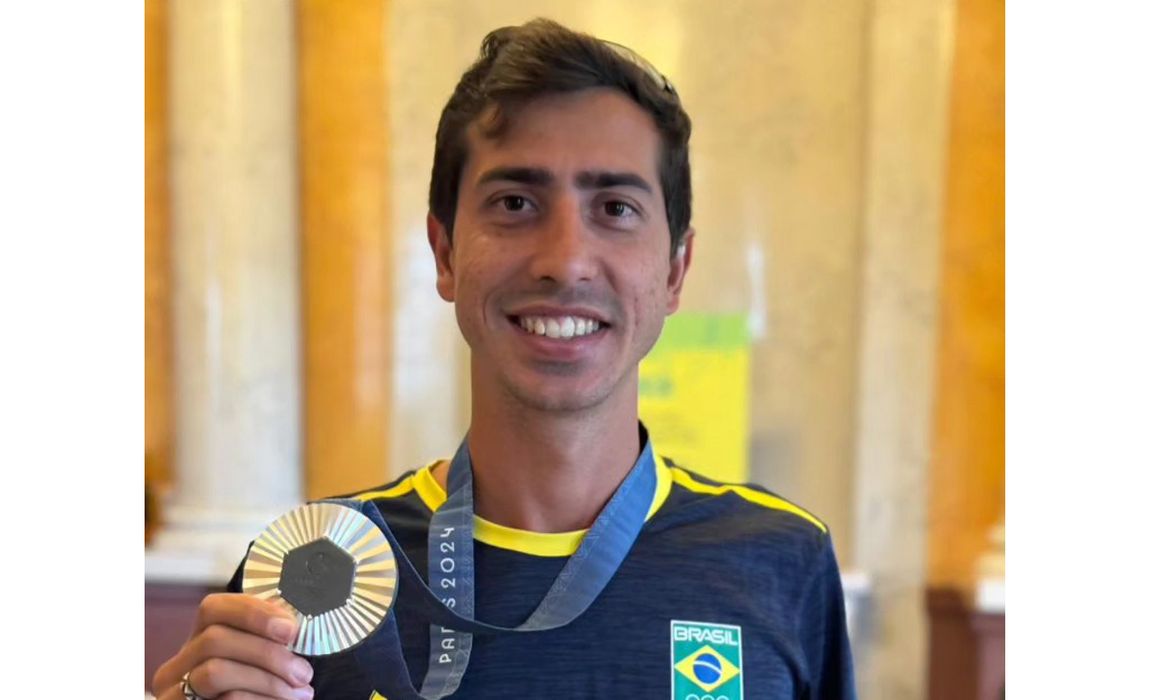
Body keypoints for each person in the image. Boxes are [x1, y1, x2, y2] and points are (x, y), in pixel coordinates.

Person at [151, 18, 855, 700]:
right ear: (445, 254)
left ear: (675, 270)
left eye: (615, 208)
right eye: (515, 202)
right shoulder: (315, 571)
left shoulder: (780, 560)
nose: (566, 261)